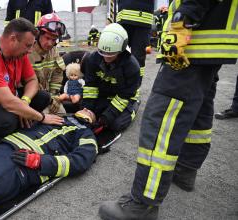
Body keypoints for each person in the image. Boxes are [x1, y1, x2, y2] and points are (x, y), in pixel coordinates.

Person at [99, 0, 238, 219]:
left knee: (161, 120)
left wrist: (185, 15)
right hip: (210, 36)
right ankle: (185, 169)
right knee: (198, 108)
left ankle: (143, 202)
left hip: (193, 37)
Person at [0, 18, 64, 145]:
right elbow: (8, 102)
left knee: (43, 97)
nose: (30, 50)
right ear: (13, 39)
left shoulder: (19, 54)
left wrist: (25, 101)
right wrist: (42, 117)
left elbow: (32, 81)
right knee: (9, 120)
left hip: (5, 100)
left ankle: (18, 123)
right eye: (28, 45)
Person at [82, 23, 140, 135]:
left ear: (121, 50)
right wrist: (87, 109)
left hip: (125, 98)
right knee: (90, 115)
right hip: (105, 93)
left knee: (115, 124)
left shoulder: (131, 67)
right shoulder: (93, 59)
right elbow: (90, 86)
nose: (106, 57)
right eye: (103, 52)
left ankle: (134, 107)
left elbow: (124, 96)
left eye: (111, 53)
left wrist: (107, 117)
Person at [28, 13, 66, 114]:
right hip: (32, 98)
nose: (50, 43)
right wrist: (49, 99)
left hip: (50, 97)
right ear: (38, 34)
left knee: (62, 113)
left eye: (53, 39)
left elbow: (57, 75)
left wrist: (54, 98)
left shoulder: (54, 51)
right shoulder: (27, 52)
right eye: (47, 38)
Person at [110, 0, 154, 84]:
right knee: (133, 56)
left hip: (132, 17)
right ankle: (132, 84)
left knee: (121, 53)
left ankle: (126, 84)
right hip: (141, 18)